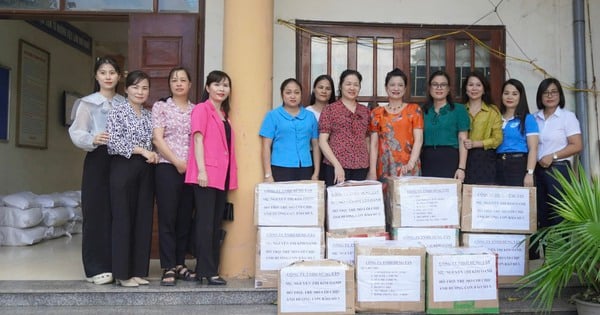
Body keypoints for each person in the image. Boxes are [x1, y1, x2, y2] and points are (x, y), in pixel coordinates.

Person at [68, 56, 124, 285]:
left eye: (112, 72)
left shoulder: (125, 102)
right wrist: (93, 138)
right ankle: (95, 267)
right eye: (103, 72)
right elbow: (76, 132)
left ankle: (116, 264)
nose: (108, 76)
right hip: (97, 158)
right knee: (96, 212)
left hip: (121, 159)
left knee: (118, 211)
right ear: (96, 76)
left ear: (119, 76)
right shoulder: (87, 103)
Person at [185, 70, 238, 285]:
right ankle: (208, 271)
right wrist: (201, 170)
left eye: (225, 85)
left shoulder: (224, 114)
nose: (221, 89)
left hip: (221, 175)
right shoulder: (201, 109)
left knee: (214, 222)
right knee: (206, 223)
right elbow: (198, 139)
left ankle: (203, 270)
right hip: (206, 174)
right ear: (207, 88)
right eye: (216, 84)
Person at [107, 70, 158, 287]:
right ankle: (122, 273)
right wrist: (142, 150)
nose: (140, 91)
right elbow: (113, 143)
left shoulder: (148, 115)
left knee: (143, 219)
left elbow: (153, 141)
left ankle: (138, 270)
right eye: (136, 87)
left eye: (144, 88)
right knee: (123, 219)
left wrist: (153, 152)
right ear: (126, 89)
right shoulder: (117, 111)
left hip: (145, 169)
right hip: (123, 167)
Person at [151, 67, 196, 286]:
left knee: (184, 217)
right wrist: (177, 161)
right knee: (167, 217)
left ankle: (180, 263)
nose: (178, 83)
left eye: (183, 80)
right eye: (174, 80)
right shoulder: (161, 107)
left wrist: (189, 165)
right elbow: (158, 139)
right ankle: (168, 266)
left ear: (189, 85)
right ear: (170, 84)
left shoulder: (196, 110)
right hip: (168, 167)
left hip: (191, 170)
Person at [534, 78, 582, 230]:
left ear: (560, 95)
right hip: (537, 171)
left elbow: (577, 145)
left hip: (558, 170)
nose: (550, 96)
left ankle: (561, 253)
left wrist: (552, 156)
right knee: (541, 216)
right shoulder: (535, 118)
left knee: (559, 217)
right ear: (540, 96)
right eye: (546, 93)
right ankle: (545, 254)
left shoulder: (567, 117)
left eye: (554, 92)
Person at [319, 69, 373, 186]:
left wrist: (370, 168)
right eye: (348, 84)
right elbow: (323, 141)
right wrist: (337, 165)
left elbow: (367, 139)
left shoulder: (365, 111)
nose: (352, 88)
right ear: (340, 86)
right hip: (335, 167)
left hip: (361, 167)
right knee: (336, 202)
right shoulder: (330, 110)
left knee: (358, 203)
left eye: (356, 85)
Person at [260, 78, 320, 182]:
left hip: (305, 167)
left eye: (296, 92)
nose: (293, 96)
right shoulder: (272, 116)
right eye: (288, 92)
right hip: (280, 167)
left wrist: (316, 173)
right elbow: (266, 146)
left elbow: (316, 145)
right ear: (282, 94)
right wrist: (268, 174)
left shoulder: (310, 116)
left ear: (301, 94)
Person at [369, 68, 423, 181]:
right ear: (386, 87)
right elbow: (373, 144)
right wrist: (372, 171)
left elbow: (419, 139)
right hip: (384, 166)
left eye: (400, 85)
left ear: (405, 88)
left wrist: (411, 163)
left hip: (408, 166)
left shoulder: (414, 110)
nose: (396, 88)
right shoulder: (377, 113)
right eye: (392, 85)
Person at [421, 70, 470, 180]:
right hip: (427, 159)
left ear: (448, 89)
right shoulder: (423, 111)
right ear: (429, 88)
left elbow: (463, 139)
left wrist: (461, 168)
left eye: (443, 85)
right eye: (435, 84)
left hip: (450, 159)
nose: (439, 88)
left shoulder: (459, 109)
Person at [495, 79, 539, 187]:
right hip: (497, 164)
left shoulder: (528, 119)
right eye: (506, 93)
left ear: (521, 97)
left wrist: (529, 173)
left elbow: (533, 148)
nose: (509, 97)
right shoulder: (496, 117)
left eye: (514, 94)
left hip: (518, 165)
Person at [462, 71, 503, 184]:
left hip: (485, 159)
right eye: (470, 85)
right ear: (465, 89)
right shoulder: (459, 110)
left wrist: (476, 143)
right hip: (462, 158)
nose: (474, 88)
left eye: (478, 85)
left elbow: (497, 139)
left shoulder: (493, 111)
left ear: (484, 89)